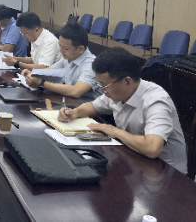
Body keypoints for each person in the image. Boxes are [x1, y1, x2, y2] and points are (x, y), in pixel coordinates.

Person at [58, 48, 187, 174]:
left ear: (126, 81)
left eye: (104, 85)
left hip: (167, 174)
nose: (101, 90)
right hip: (135, 160)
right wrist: (74, 112)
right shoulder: (116, 92)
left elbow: (152, 148)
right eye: (99, 84)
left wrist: (115, 131)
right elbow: (93, 106)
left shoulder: (156, 101)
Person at [22, 23, 99, 102]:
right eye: (60, 46)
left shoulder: (91, 65)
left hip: (86, 106)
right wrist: (33, 73)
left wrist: (41, 83)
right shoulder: (70, 57)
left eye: (65, 48)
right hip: (70, 101)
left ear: (81, 49)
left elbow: (76, 91)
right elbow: (50, 70)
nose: (61, 51)